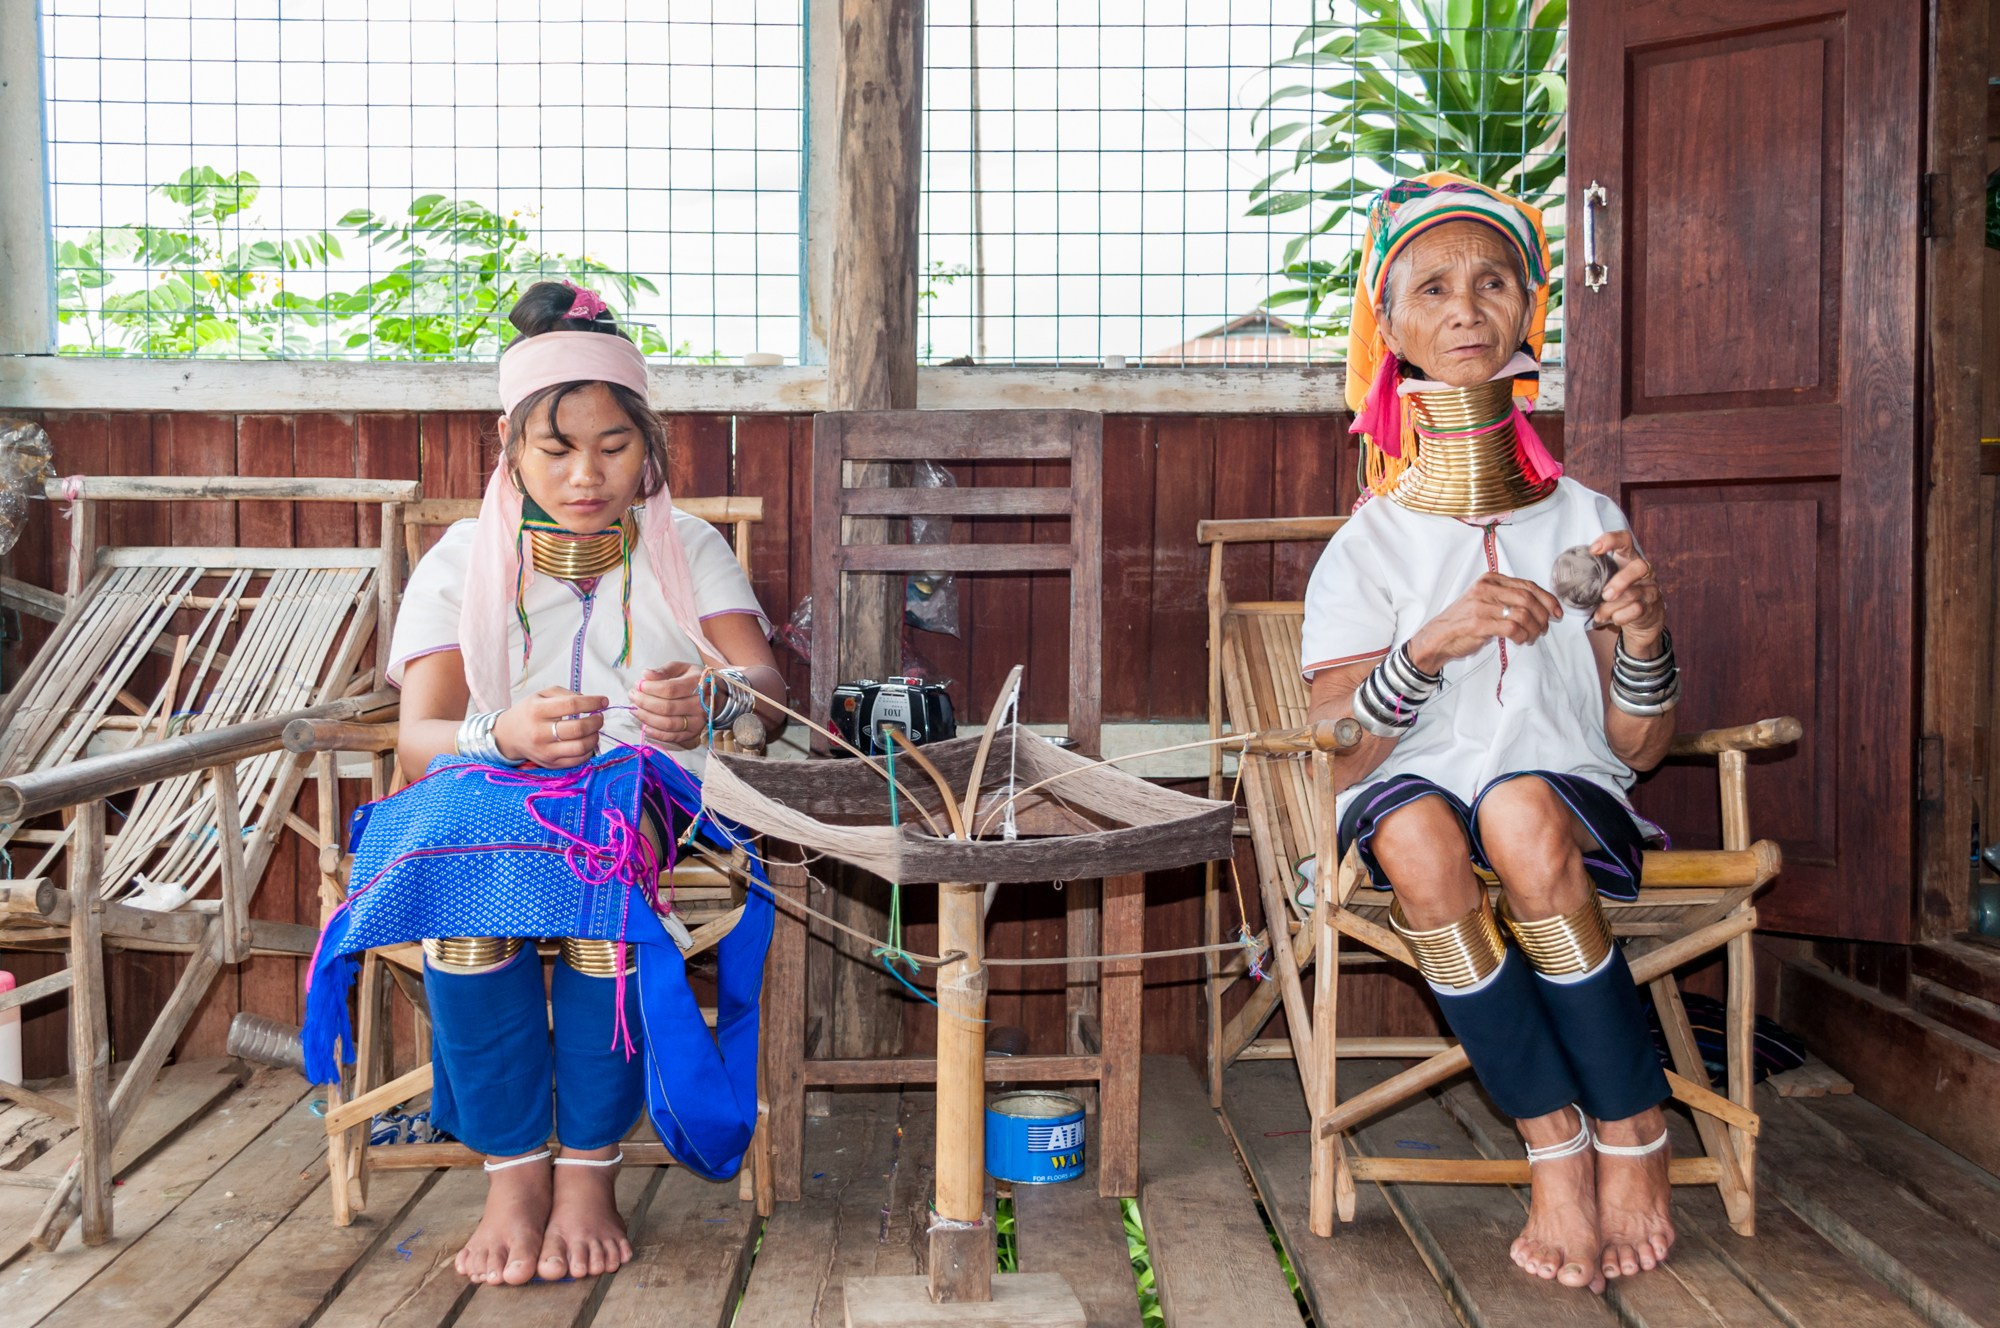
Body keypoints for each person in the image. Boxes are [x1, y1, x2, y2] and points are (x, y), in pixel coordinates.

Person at [303, 280, 787, 1288]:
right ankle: (514, 1173)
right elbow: (419, 742)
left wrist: (713, 701)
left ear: (647, 448)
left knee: (597, 879)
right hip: (486, 804)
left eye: (612, 448)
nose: (584, 476)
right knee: (474, 898)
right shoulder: (459, 559)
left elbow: (769, 693)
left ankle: (589, 1172)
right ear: (509, 449)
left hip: (644, 806)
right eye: (555, 450)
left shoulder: (687, 549)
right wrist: (504, 732)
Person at [1301, 174, 1678, 1293]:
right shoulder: (1364, 550)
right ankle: (1554, 1142)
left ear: (1524, 316)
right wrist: (1424, 648)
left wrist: (1645, 635)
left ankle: (1633, 1125)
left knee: (1516, 806)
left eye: (1492, 282)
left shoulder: (1586, 520)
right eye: (1431, 288)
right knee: (1417, 837)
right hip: (1404, 786)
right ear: (1393, 327)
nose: (1464, 308)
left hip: (1562, 794)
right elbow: (1339, 751)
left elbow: (1641, 745)